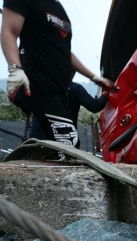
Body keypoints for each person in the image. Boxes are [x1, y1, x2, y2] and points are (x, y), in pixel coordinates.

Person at [1, 0, 117, 147]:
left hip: (59, 90)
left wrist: (93, 77)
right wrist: (15, 69)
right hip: (39, 84)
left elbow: (65, 53)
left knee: (65, 146)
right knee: (69, 143)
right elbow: (9, 31)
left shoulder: (58, 9)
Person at [23, 73, 109, 148]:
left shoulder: (41, 86)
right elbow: (95, 106)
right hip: (65, 142)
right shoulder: (76, 89)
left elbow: (23, 103)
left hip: (38, 140)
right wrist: (106, 93)